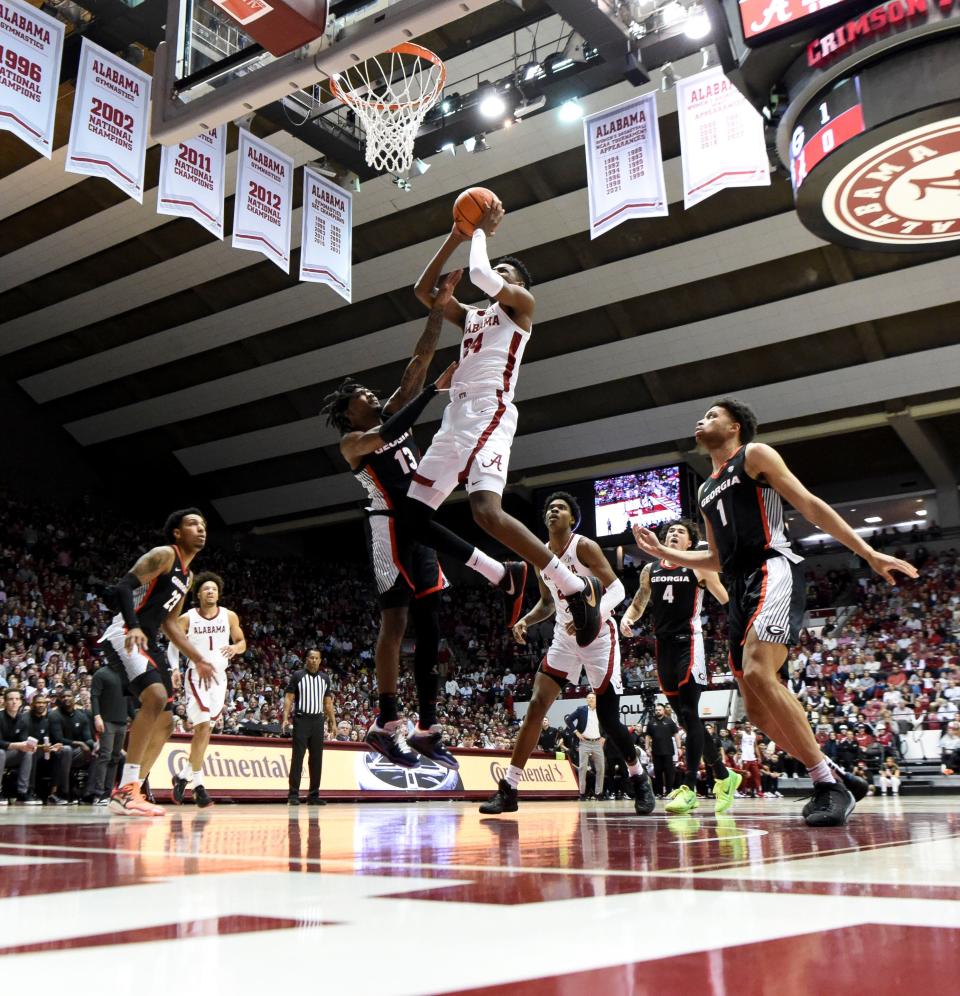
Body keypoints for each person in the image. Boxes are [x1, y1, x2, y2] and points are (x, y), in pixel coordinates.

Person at [632, 398, 918, 826]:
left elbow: (809, 504)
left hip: (773, 567)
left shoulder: (755, 455)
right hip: (739, 581)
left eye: (712, 415)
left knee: (760, 670)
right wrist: (665, 552)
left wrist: (867, 551)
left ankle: (827, 784)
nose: (701, 420)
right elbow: (717, 559)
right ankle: (837, 773)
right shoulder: (705, 488)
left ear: (734, 428)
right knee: (758, 712)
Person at [321, 271, 516, 770]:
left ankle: (427, 727)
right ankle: (386, 723)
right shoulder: (351, 444)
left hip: (420, 522)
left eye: (368, 391)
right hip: (387, 527)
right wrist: (432, 392)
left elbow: (420, 357)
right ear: (348, 414)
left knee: (431, 623)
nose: (369, 393)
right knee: (395, 619)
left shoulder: (391, 408)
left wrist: (440, 305)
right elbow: (395, 426)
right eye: (359, 396)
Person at [405, 201, 602, 647]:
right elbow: (423, 292)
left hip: (490, 411)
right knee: (412, 517)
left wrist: (481, 234)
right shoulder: (474, 318)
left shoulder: (521, 307)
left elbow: (481, 277)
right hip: (455, 414)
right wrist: (455, 236)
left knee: (486, 512)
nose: (499, 277)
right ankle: (503, 574)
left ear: (518, 287)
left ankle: (569, 586)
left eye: (506, 274)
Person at [479, 492, 655, 815]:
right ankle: (509, 788)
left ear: (572, 519)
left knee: (608, 717)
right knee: (536, 705)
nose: (552, 511)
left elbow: (617, 589)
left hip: (600, 635)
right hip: (564, 637)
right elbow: (548, 603)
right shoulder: (540, 555)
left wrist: (592, 616)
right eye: (549, 508)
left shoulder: (584, 547)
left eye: (559, 508)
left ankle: (638, 777)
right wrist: (526, 620)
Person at [98, 508, 216, 817]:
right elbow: (123, 586)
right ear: (177, 532)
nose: (200, 529)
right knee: (155, 697)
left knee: (166, 720)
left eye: (203, 525)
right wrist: (134, 624)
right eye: (193, 524)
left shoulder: (188, 578)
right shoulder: (164, 555)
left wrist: (198, 658)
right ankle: (125, 791)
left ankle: (132, 787)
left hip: (149, 639)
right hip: (124, 632)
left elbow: (171, 624)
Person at [621, 518, 741, 815]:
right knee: (688, 721)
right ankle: (725, 777)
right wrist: (628, 618)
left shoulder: (698, 566)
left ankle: (689, 787)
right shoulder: (651, 570)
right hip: (662, 648)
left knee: (689, 713)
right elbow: (640, 601)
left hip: (689, 643)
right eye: (670, 531)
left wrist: (740, 632)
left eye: (680, 532)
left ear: (690, 543)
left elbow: (724, 598)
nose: (674, 534)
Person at [168, 571, 246, 807]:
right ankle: (198, 786)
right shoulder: (188, 618)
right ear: (199, 594)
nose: (211, 591)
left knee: (206, 731)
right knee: (201, 726)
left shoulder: (229, 616)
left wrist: (235, 649)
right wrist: (175, 669)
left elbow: (242, 642)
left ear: (218, 593)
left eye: (214, 588)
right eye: (206, 589)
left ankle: (185, 776)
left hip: (219, 679)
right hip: (196, 676)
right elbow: (173, 645)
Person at [282, 649, 336, 805]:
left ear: (320, 660)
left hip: (318, 721)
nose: (314, 660)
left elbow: (327, 703)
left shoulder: (325, 678)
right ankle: (293, 795)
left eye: (316, 658)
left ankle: (313, 795)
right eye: (311, 658)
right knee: (298, 758)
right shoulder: (298, 676)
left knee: (316, 759)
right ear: (306, 659)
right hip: (302, 720)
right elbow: (289, 698)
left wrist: (333, 722)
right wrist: (285, 718)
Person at [86, 661, 130, 804]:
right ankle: (98, 794)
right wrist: (97, 716)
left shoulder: (126, 675)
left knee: (116, 757)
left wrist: (135, 718)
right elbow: (94, 696)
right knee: (105, 755)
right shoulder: (101, 673)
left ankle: (108, 791)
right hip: (107, 721)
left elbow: (129, 699)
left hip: (122, 721)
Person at [50, 688, 95, 801]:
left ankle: (89, 792)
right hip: (56, 752)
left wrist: (93, 745)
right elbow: (58, 739)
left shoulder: (81, 716)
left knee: (99, 752)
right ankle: (63, 792)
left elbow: (88, 738)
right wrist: (79, 743)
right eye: (63, 697)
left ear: (74, 698)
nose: (66, 698)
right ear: (60, 699)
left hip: (77, 753)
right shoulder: (55, 715)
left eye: (69, 696)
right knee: (67, 749)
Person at [25, 694, 69, 804]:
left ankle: (53, 793)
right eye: (38, 702)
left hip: (44, 750)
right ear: (32, 704)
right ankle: (31, 791)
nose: (41, 705)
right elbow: (24, 741)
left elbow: (52, 739)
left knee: (59, 753)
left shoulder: (47, 720)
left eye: (43, 703)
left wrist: (54, 746)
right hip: (28, 750)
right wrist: (41, 747)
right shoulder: (25, 718)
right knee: (32, 753)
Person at [0, 688, 39, 804]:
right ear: (5, 702)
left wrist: (30, 746)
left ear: (21, 702)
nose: (14, 702)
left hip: (10, 755)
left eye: (17, 699)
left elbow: (23, 740)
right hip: (1, 753)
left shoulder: (23, 719)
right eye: (11, 699)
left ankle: (22, 792)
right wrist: (16, 745)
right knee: (0, 752)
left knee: (28, 752)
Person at [565, 693, 606, 800]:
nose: (591, 699)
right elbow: (568, 720)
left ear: (596, 699)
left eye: (593, 698)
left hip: (597, 743)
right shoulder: (581, 710)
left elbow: (608, 724)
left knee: (600, 768)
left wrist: (604, 737)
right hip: (584, 742)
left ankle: (598, 793)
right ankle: (582, 793)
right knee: (583, 768)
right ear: (586, 700)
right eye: (589, 698)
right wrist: (576, 732)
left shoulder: (602, 710)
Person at [645, 704, 679, 798]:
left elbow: (676, 734)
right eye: (656, 710)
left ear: (663, 711)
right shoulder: (651, 722)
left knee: (669, 772)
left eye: (659, 710)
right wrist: (647, 748)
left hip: (668, 751)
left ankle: (669, 792)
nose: (658, 711)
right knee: (658, 773)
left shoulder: (670, 721)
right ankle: (659, 792)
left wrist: (679, 747)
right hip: (656, 752)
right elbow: (648, 736)